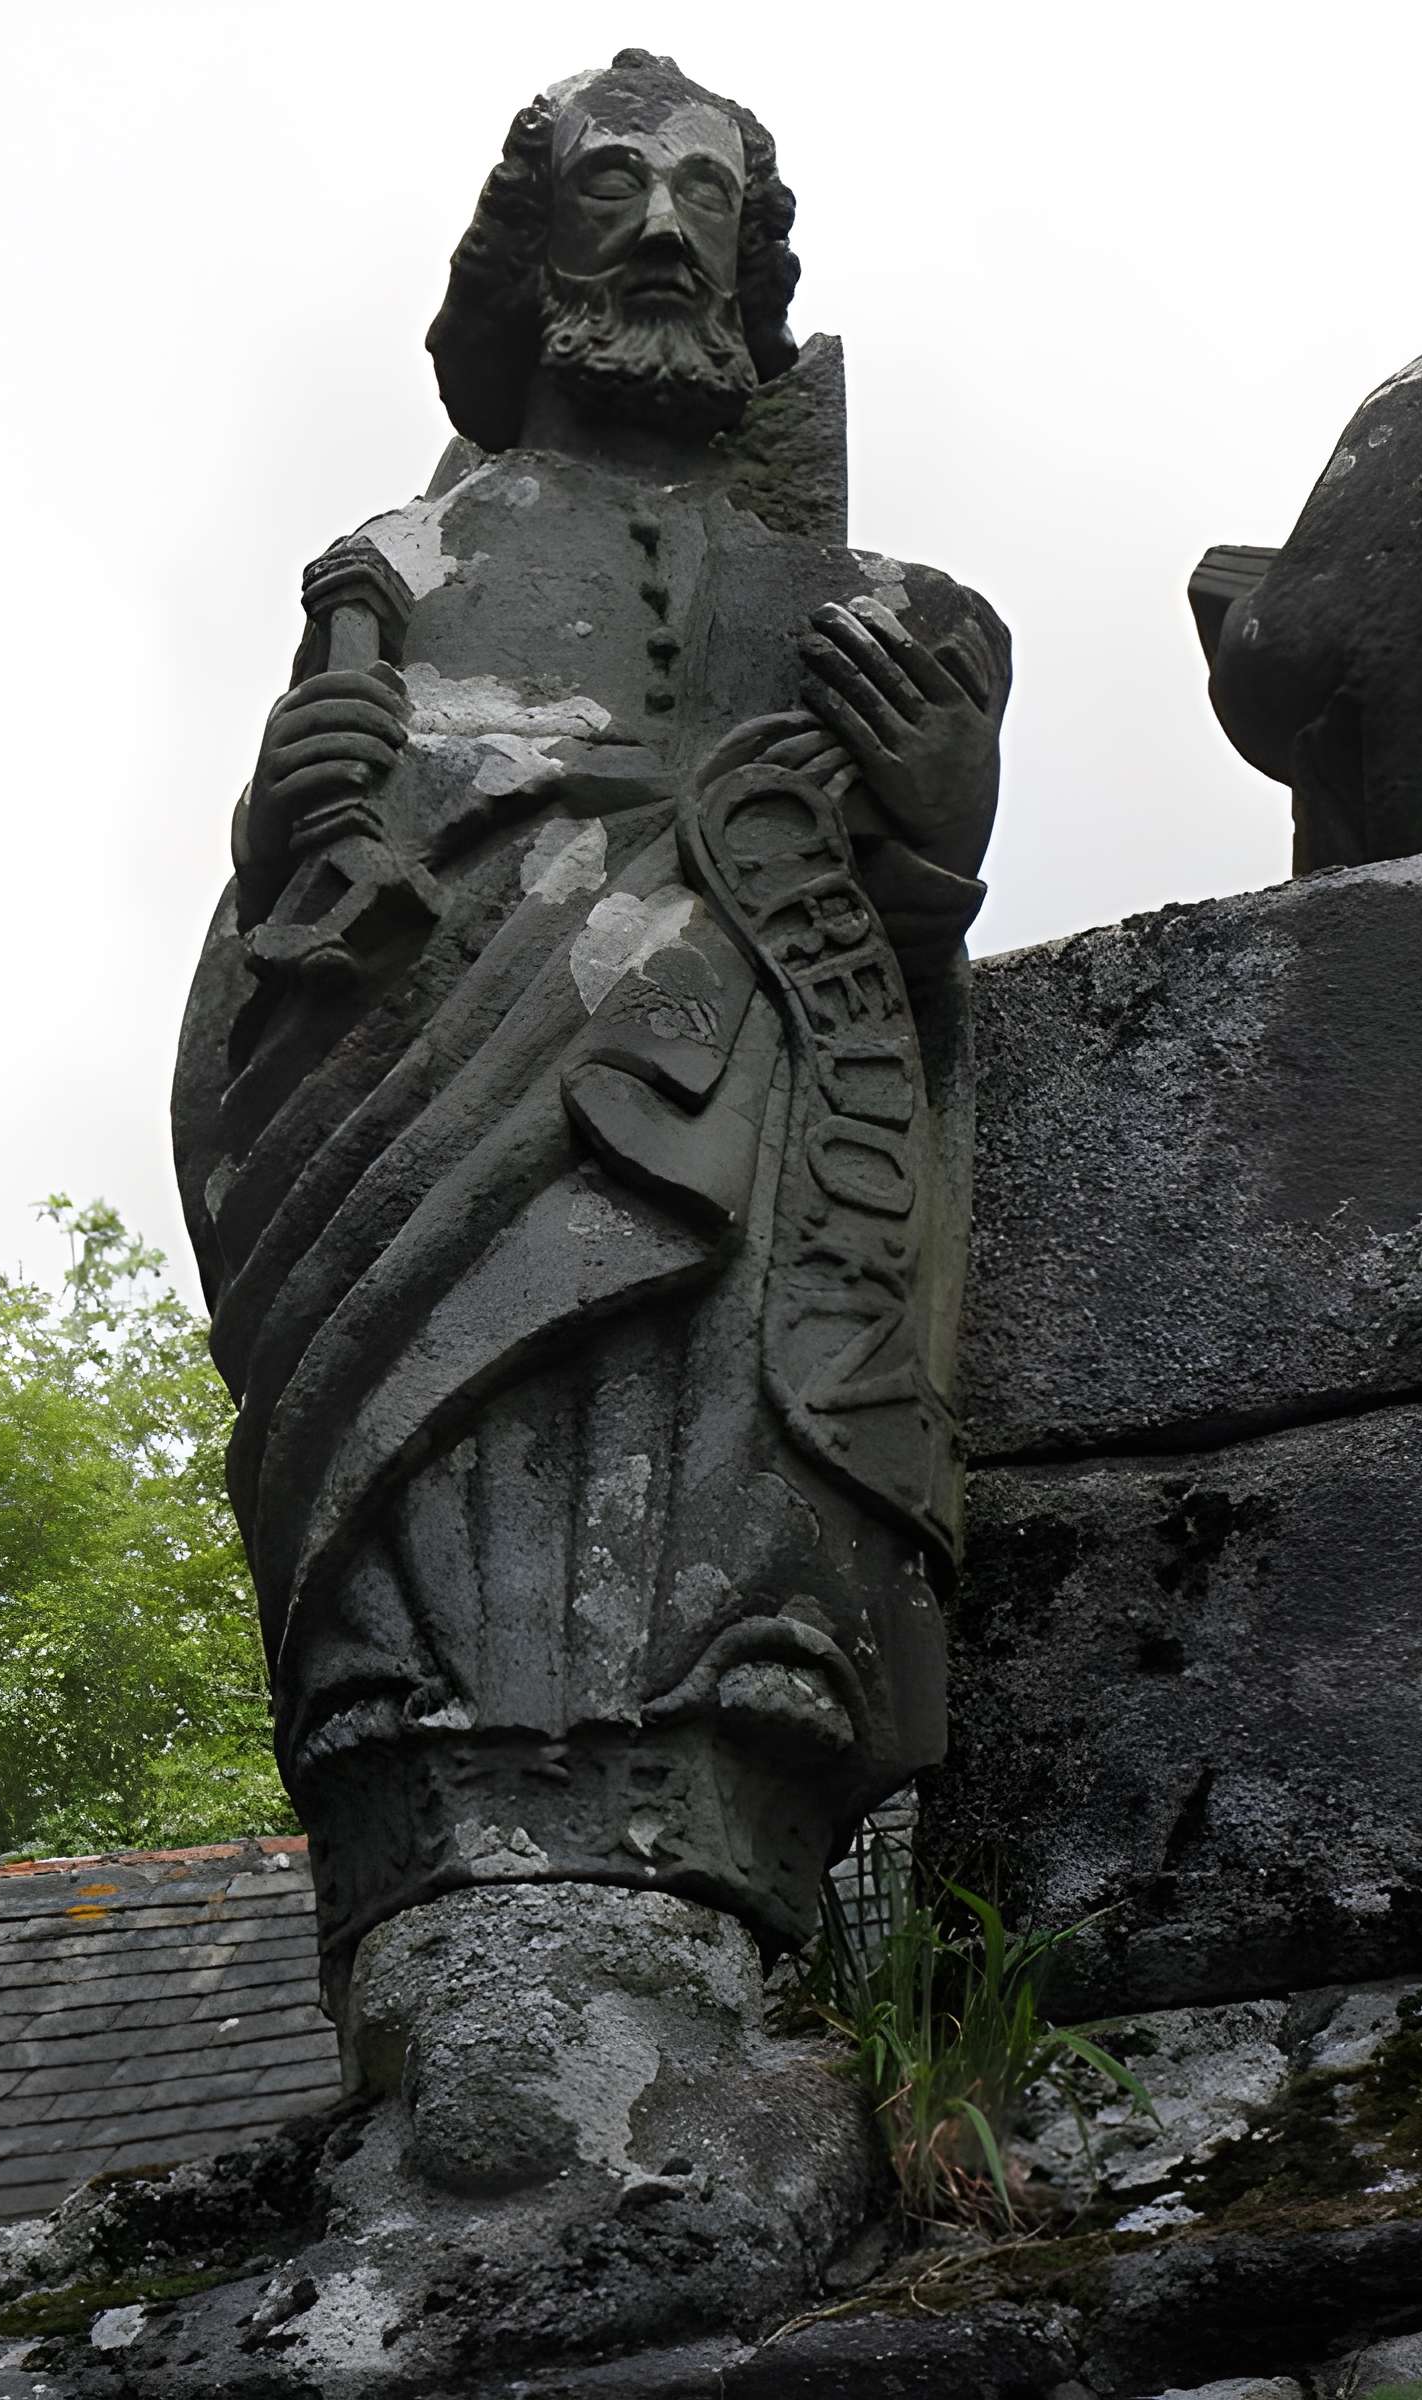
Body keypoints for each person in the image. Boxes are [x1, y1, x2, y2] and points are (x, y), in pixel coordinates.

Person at [172, 48, 1009, 2017]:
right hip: (431, 1120)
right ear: (530, 242)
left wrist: (938, 831)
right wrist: (292, 803)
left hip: (761, 1134)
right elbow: (299, 934)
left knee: (726, 1544)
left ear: (747, 268)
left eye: (704, 201)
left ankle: (703, 1832)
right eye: (615, 184)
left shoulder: (875, 607)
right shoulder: (401, 569)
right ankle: (449, 1812)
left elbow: (897, 950)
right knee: (449, 1543)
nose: (656, 227)